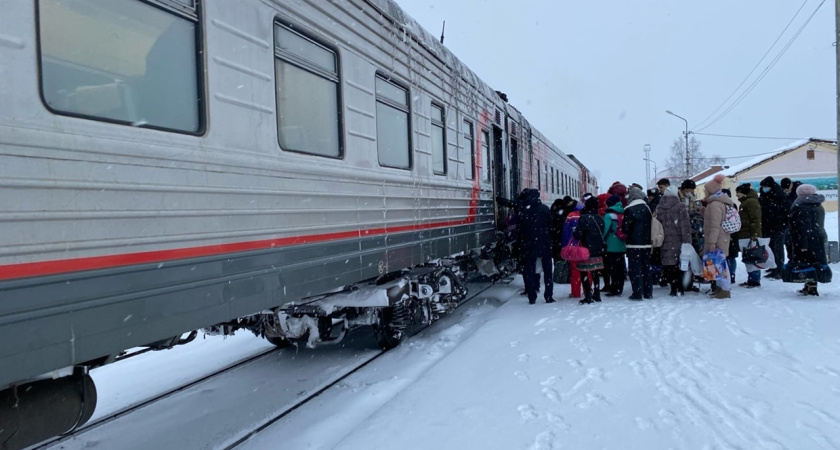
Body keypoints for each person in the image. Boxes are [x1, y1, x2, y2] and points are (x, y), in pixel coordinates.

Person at [789, 184, 828, 296]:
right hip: (817, 238)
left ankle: (811, 287)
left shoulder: (803, 207)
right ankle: (810, 285)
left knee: (807, 262)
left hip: (807, 239)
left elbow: (804, 227)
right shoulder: (817, 205)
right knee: (814, 262)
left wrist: (803, 244)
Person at [518, 189, 554, 304]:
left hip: (529, 245)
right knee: (547, 272)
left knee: (530, 271)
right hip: (544, 244)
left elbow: (521, 230)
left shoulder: (525, 211)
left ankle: (532, 296)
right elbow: (551, 226)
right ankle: (548, 296)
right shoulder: (544, 209)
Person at [702, 174, 735, 299]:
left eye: (706, 190)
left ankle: (724, 290)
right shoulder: (717, 203)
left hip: (718, 238)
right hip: (721, 237)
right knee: (720, 264)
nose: (704, 192)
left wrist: (711, 242)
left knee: (721, 265)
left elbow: (715, 226)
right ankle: (721, 289)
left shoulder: (715, 205)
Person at [656, 186, 691, 296]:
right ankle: (680, 287)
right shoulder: (681, 206)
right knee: (680, 264)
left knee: (669, 264)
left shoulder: (659, 207)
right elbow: (685, 226)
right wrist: (687, 241)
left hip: (665, 240)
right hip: (678, 240)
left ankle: (673, 287)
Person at [622, 186, 653, 300]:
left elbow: (625, 228)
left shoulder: (629, 209)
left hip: (633, 244)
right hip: (647, 243)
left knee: (635, 269)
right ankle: (648, 292)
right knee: (646, 268)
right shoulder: (647, 208)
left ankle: (637, 293)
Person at [573, 197, 606, 304]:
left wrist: (575, 231)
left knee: (584, 273)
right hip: (598, 249)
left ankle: (588, 295)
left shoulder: (584, 218)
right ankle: (597, 294)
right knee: (595, 272)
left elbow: (578, 235)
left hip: (586, 250)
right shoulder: (600, 218)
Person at [759, 176, 790, 279]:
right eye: (763, 186)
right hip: (768, 226)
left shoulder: (779, 196)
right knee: (770, 248)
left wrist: (781, 222)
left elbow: (785, 211)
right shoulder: (764, 196)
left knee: (778, 248)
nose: (764, 188)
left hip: (779, 226)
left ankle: (779, 269)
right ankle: (773, 267)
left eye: (766, 186)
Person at [734, 183, 762, 288]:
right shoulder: (747, 202)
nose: (737, 195)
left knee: (751, 257)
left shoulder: (751, 202)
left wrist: (754, 234)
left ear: (744, 192)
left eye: (738, 192)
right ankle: (752, 279)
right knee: (749, 257)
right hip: (745, 234)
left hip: (748, 235)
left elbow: (755, 219)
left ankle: (754, 280)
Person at [602, 195, 627, 296]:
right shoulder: (623, 212)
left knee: (612, 269)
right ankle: (619, 288)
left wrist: (602, 240)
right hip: (621, 244)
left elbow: (605, 230)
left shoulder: (609, 215)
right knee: (620, 268)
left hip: (611, 245)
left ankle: (614, 288)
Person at [561, 197, 586, 299]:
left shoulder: (571, 216)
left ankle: (575, 292)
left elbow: (566, 233)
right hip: (585, 247)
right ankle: (588, 290)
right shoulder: (586, 216)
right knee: (587, 269)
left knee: (575, 271)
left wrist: (564, 245)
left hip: (573, 247)